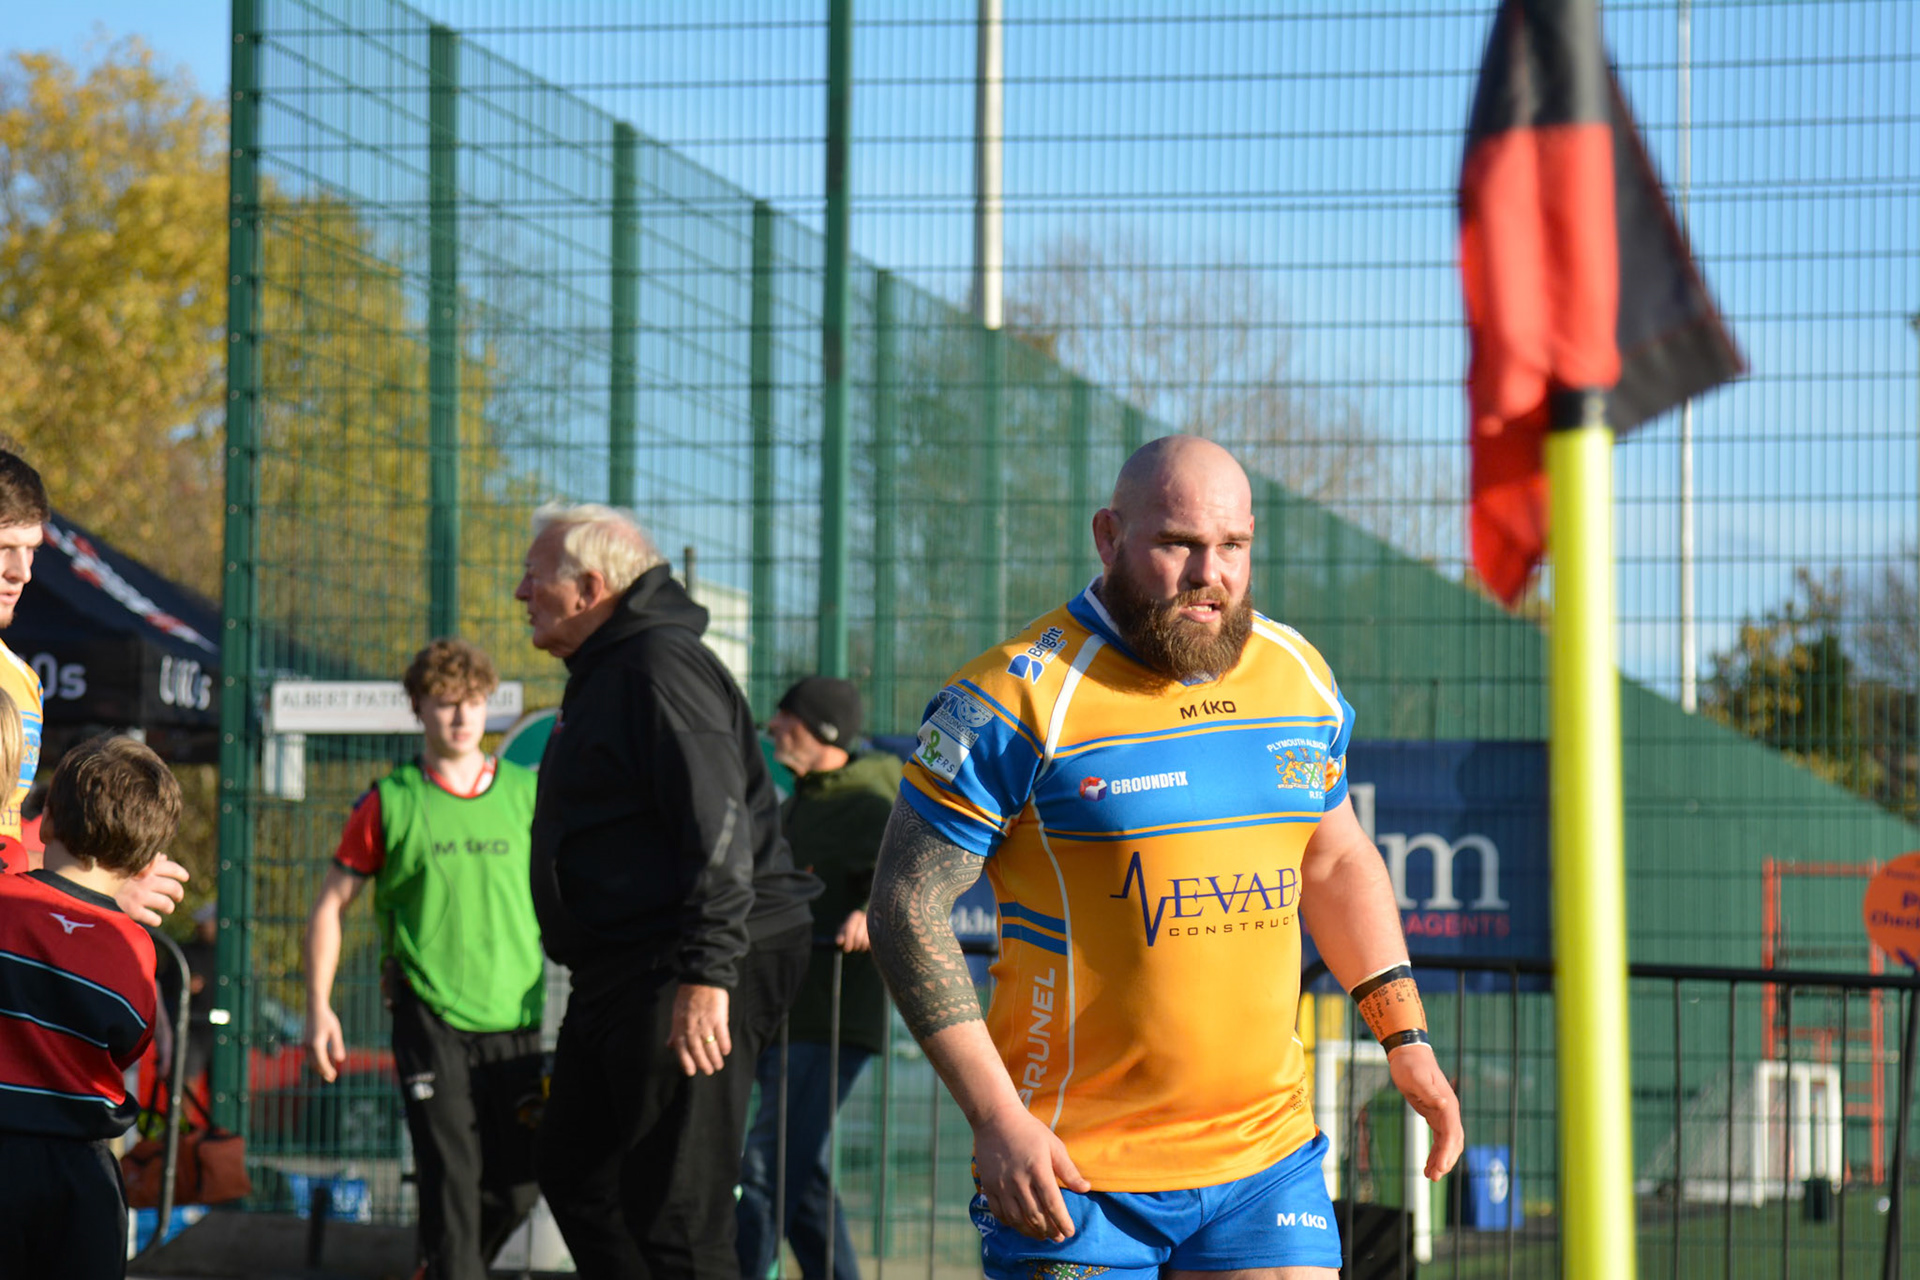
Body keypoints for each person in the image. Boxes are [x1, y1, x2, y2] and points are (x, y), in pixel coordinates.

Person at [867, 436, 1465, 1280]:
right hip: (1072, 1176)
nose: (1208, 573)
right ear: (1110, 536)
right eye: (1178, 543)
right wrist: (996, 1117)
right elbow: (906, 906)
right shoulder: (1013, 697)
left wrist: (1405, 1039)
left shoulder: (1298, 674)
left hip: (1267, 1161)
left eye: (1232, 547)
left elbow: (1333, 861)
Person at [516, 502, 821, 1280]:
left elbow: (715, 824)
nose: (521, 593)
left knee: (677, 1212)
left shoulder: (657, 665)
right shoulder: (610, 670)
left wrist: (708, 972)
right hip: (623, 966)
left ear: (587, 587)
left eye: (533, 576)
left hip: (688, 962)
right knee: (578, 1170)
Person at [303, 638, 545, 1280]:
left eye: (471, 703)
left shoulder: (528, 794)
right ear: (419, 709)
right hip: (428, 1015)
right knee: (451, 1185)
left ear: (489, 705)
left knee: (520, 1185)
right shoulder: (391, 800)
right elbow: (331, 905)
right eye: (444, 705)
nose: (461, 718)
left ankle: (440, 1270)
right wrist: (319, 1008)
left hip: (515, 1015)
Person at [0, 728, 184, 1280]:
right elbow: (132, 1037)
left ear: (48, 821)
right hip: (85, 1173)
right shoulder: (133, 948)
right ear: (145, 862)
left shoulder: (7, 903)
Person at [736, 677, 902, 1280]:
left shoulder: (874, 796)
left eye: (786, 717)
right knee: (802, 1177)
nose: (773, 726)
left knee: (766, 1165)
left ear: (820, 730)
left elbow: (913, 873)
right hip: (782, 1013)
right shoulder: (796, 801)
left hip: (831, 1016)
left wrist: (872, 910)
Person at [0, 445, 188, 924]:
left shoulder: (22, 684)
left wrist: (102, 883)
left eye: (32, 551)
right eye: (4, 548)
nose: (21, 572)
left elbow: (14, 843)